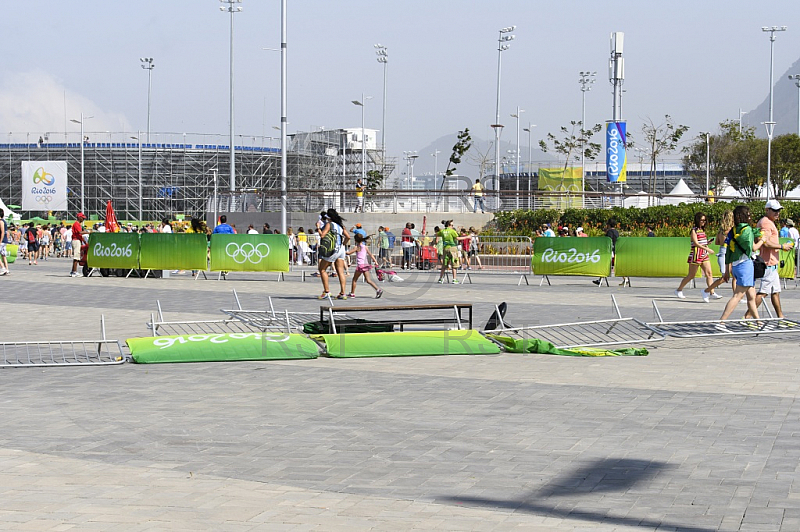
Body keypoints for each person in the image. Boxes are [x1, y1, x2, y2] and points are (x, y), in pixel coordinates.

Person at [745, 200, 794, 319]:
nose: (778, 213)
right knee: (763, 293)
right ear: (767, 210)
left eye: (779, 210)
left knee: (775, 292)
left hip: (772, 263)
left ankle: (780, 317)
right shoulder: (766, 223)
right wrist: (782, 246)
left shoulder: (769, 222)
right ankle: (746, 317)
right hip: (768, 263)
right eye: (775, 210)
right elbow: (765, 243)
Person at [719, 205, 765, 324]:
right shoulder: (747, 230)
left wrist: (726, 270)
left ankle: (758, 321)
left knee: (751, 296)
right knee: (738, 296)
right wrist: (763, 240)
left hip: (736, 266)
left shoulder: (733, 230)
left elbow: (728, 251)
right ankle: (721, 322)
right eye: (748, 215)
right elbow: (753, 248)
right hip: (745, 265)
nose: (750, 217)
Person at [674, 212, 719, 302]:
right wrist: (708, 249)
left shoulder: (702, 230)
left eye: (704, 220)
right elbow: (696, 243)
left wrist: (707, 244)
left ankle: (711, 292)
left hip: (704, 254)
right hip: (696, 254)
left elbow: (701, 242)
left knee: (709, 273)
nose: (703, 222)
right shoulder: (693, 230)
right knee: (691, 275)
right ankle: (679, 290)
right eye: (701, 220)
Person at [317, 208, 351, 300]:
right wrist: (343, 244)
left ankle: (327, 291)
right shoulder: (340, 226)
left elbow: (322, 235)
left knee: (322, 269)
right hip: (341, 250)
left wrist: (318, 228)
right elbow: (348, 237)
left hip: (332, 250)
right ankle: (342, 293)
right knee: (340, 271)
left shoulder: (329, 224)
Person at [703, 210, 736, 298]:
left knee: (734, 276)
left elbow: (717, 242)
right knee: (726, 277)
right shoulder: (731, 230)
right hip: (728, 252)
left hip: (722, 252)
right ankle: (707, 290)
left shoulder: (721, 231)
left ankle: (737, 296)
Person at [345, 233, 382, 299]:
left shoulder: (357, 247)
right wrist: (375, 261)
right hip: (365, 265)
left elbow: (349, 253)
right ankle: (378, 289)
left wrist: (342, 250)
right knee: (368, 280)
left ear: (356, 241)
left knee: (354, 279)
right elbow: (371, 255)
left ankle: (352, 293)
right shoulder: (365, 247)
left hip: (360, 265)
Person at [436, 220, 467, 284]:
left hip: (445, 248)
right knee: (454, 264)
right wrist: (467, 237)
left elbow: (437, 234)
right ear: (449, 225)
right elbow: (457, 238)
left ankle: (441, 279)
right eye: (452, 225)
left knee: (444, 264)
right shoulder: (452, 231)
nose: (452, 226)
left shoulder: (442, 231)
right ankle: (454, 279)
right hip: (452, 248)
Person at [593, 219, 619, 285]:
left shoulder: (609, 232)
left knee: (605, 264)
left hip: (609, 250)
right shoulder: (616, 232)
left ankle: (600, 279)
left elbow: (607, 241)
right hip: (615, 249)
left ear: (609, 225)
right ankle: (600, 279)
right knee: (614, 264)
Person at [70, 212, 87, 277]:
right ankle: (74, 272)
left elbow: (79, 235)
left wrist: (84, 241)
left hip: (78, 240)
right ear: (79, 217)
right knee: (76, 257)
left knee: (77, 256)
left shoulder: (78, 224)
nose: (83, 219)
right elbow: (80, 232)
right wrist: (88, 232)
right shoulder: (76, 224)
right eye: (82, 218)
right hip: (76, 241)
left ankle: (73, 271)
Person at [0, 208, 9, 276]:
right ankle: (6, 269)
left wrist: (0, 241)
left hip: (2, 241)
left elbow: (2, 232)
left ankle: (3, 268)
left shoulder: (1, 221)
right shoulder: (4, 221)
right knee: (3, 256)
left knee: (3, 255)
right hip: (4, 240)